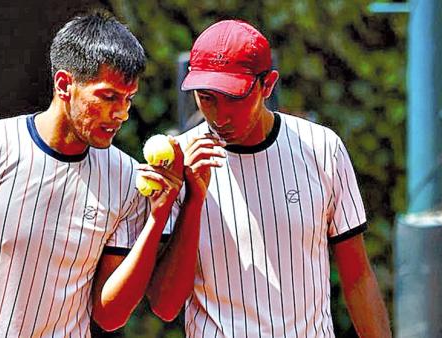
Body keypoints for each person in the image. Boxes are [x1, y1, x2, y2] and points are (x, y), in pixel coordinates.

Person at [0, 12, 183, 337]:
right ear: (63, 85)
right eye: (108, 96)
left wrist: (157, 220)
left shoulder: (129, 180)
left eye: (127, 99)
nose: (121, 113)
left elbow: (110, 317)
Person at [147, 20, 391, 337]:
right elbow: (165, 307)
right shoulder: (177, 160)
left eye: (234, 97)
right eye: (207, 98)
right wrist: (193, 197)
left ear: (268, 85)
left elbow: (358, 276)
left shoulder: (323, 148)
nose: (220, 116)